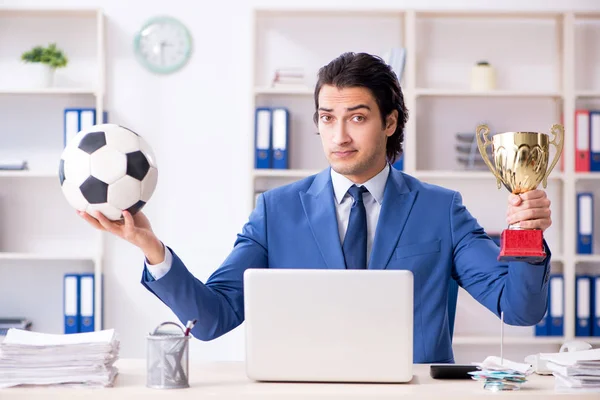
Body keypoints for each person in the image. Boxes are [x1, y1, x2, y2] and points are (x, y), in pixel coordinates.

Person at [79, 52, 553, 364]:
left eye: (357, 118)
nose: (339, 135)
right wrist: (152, 249)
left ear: (390, 123)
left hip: (414, 394)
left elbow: (518, 309)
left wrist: (527, 232)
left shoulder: (441, 209)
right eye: (328, 118)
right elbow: (214, 319)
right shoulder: (276, 211)